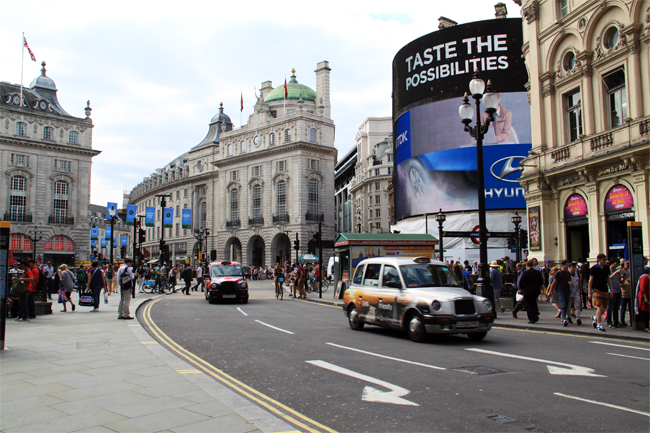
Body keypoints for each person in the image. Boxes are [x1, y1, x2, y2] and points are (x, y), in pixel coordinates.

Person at [589, 253, 612, 332]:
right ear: (599, 259)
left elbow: (608, 279)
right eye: (603, 260)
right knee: (599, 306)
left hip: (605, 289)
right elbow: (591, 280)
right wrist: (589, 292)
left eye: (605, 259)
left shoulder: (606, 268)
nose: (605, 261)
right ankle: (599, 324)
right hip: (597, 289)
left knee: (604, 307)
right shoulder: (594, 268)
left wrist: (611, 290)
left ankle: (595, 318)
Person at [547, 260, 572, 326]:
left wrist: (571, 283)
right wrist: (549, 291)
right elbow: (553, 282)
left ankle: (565, 316)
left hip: (567, 291)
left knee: (566, 305)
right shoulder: (559, 273)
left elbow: (570, 280)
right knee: (563, 304)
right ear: (563, 265)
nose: (568, 266)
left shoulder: (568, 273)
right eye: (567, 265)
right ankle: (564, 318)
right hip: (560, 291)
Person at [606, 259, 623, 328]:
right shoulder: (609, 271)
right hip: (612, 291)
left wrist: (623, 278)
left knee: (616, 308)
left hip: (618, 290)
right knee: (610, 307)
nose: (617, 265)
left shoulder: (618, 272)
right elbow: (609, 278)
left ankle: (616, 321)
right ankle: (609, 322)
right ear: (612, 264)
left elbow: (619, 281)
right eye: (616, 264)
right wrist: (616, 272)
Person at [636, 266, 650, 333]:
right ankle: (646, 327)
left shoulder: (647, 277)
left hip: (648, 297)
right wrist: (645, 298)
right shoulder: (645, 277)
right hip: (645, 298)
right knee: (646, 313)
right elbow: (643, 289)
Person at [620, 260, 632, 327]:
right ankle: (622, 321)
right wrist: (623, 278)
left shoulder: (630, 272)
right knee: (623, 308)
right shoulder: (622, 272)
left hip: (629, 293)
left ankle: (631, 320)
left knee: (630, 308)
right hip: (624, 293)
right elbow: (621, 283)